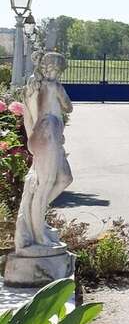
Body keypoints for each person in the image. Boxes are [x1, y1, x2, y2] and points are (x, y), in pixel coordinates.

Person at [13, 51, 73, 255]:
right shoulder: (52, 86)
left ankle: (36, 216)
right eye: (51, 69)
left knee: (64, 178)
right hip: (47, 135)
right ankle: (39, 235)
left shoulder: (38, 84)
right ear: (46, 69)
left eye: (57, 70)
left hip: (49, 135)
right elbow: (68, 106)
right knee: (44, 184)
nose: (54, 73)